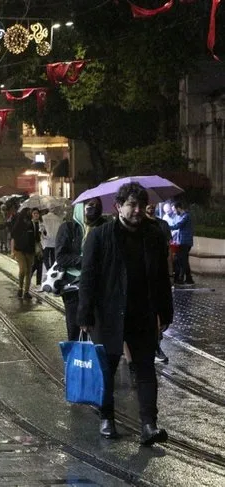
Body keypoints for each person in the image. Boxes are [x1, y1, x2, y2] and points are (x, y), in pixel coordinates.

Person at [77, 183, 172, 445]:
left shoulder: (153, 236)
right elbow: (88, 277)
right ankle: (107, 417)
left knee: (144, 369)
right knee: (106, 369)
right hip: (107, 314)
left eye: (141, 205)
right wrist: (84, 315)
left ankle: (149, 425)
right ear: (118, 206)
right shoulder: (100, 236)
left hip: (141, 313)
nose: (137, 210)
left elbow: (162, 278)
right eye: (132, 205)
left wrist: (165, 313)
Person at [55, 197, 105, 341]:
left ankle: (98, 362)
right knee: (74, 330)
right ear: (80, 208)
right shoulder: (68, 228)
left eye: (97, 206)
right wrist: (85, 260)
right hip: (73, 286)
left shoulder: (104, 228)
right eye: (90, 206)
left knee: (99, 331)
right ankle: (75, 361)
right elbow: (61, 257)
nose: (93, 209)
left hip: (98, 286)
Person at [144, 203, 172, 365]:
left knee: (157, 316)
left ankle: (156, 346)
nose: (150, 207)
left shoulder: (162, 226)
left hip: (155, 279)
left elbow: (167, 252)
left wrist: (170, 273)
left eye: (152, 204)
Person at [11, 208, 37, 299]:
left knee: (29, 272)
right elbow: (13, 237)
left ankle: (26, 291)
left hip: (30, 250)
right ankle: (20, 288)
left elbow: (36, 238)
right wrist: (12, 251)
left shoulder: (34, 223)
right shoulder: (18, 224)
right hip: (19, 250)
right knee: (23, 270)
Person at [170, 201, 194, 286]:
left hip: (185, 242)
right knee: (184, 260)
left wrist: (165, 226)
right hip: (182, 242)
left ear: (178, 208)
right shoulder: (181, 216)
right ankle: (189, 279)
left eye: (174, 210)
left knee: (182, 260)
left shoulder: (186, 216)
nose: (174, 212)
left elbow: (178, 226)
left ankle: (182, 278)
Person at [30, 208, 44, 286]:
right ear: (32, 214)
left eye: (37, 213)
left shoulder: (41, 223)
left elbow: (45, 235)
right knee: (34, 264)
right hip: (32, 247)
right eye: (34, 213)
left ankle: (38, 283)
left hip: (40, 246)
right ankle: (28, 280)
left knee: (39, 265)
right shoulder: (30, 223)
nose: (36, 215)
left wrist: (42, 232)